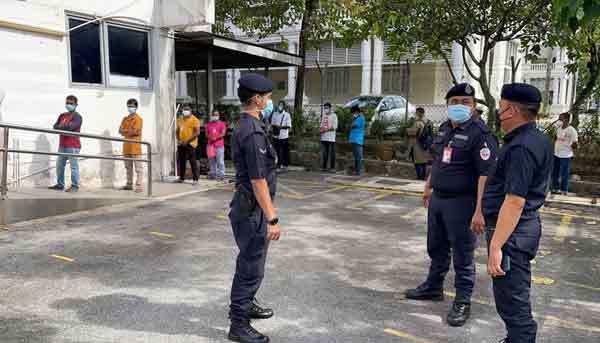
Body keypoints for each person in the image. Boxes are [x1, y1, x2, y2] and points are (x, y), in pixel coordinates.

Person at [404, 83, 498, 327]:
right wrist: (428, 187)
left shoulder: (481, 134)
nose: (459, 106)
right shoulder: (444, 128)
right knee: (436, 247)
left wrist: (479, 211)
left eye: (465, 102)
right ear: (447, 105)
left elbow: (485, 176)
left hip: (463, 203)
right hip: (438, 200)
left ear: (474, 106)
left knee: (463, 254)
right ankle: (433, 287)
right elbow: (438, 161)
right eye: (454, 102)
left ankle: (463, 301)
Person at [482, 83, 552, 343]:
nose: (498, 113)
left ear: (510, 110)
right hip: (519, 230)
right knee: (513, 298)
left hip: (511, 234)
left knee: (513, 306)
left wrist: (496, 246)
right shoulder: (537, 138)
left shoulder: (521, 147)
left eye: (500, 107)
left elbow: (514, 201)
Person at [228, 73, 281, 343]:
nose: (270, 102)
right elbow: (258, 180)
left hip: (252, 207)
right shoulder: (251, 131)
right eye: (268, 98)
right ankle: (238, 324)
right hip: (252, 210)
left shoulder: (253, 126)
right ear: (257, 99)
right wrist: (272, 218)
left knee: (255, 263)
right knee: (250, 266)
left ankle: (247, 305)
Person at [49, 95, 83, 193]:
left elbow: (71, 128)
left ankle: (75, 186)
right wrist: (63, 126)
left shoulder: (77, 117)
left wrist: (62, 126)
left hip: (73, 145)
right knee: (59, 165)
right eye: (67, 103)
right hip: (62, 144)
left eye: (71, 103)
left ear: (76, 104)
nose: (68, 105)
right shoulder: (62, 115)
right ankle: (60, 184)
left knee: (73, 167)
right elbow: (55, 126)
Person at [118, 99, 144, 192]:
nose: (130, 108)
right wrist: (129, 130)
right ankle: (129, 184)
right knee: (128, 167)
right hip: (127, 147)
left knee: (138, 168)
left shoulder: (138, 119)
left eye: (132, 106)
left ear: (136, 107)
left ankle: (139, 185)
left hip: (135, 147)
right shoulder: (125, 119)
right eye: (129, 106)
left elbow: (136, 131)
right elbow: (120, 131)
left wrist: (126, 131)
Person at [551, 112, 578, 195]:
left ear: (566, 119)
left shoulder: (572, 130)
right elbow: (556, 138)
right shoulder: (559, 128)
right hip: (556, 154)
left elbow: (575, 143)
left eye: (560, 118)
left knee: (564, 174)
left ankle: (564, 190)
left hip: (566, 155)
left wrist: (572, 146)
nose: (559, 120)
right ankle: (555, 188)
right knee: (555, 172)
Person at [176, 105, 201, 185]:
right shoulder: (180, 119)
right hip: (181, 143)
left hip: (191, 143)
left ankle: (195, 179)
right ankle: (181, 178)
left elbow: (197, 132)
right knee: (181, 161)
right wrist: (179, 140)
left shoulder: (195, 120)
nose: (185, 111)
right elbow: (177, 130)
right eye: (184, 110)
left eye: (187, 110)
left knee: (192, 161)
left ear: (190, 111)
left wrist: (187, 141)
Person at [407, 107, 431, 180]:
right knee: (424, 162)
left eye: (416, 112)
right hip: (425, 144)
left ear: (418, 113)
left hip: (417, 144)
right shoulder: (428, 121)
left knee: (417, 162)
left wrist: (408, 130)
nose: (415, 114)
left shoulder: (418, 122)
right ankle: (423, 177)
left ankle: (419, 177)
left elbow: (413, 132)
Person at [206, 110, 227, 181]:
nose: (215, 116)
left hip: (219, 145)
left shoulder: (222, 124)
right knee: (211, 161)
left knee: (220, 161)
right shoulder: (208, 124)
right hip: (210, 145)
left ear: (218, 115)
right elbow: (206, 134)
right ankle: (213, 174)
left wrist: (215, 138)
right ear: (211, 115)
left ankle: (222, 175)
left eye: (216, 115)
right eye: (213, 115)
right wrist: (210, 138)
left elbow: (223, 133)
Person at [270, 101, 292, 170]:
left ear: (284, 106)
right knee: (276, 150)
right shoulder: (274, 114)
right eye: (279, 105)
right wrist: (275, 127)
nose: (280, 106)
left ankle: (285, 164)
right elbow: (272, 124)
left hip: (284, 136)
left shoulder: (287, 115)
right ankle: (278, 164)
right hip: (276, 135)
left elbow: (288, 126)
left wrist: (281, 127)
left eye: (281, 105)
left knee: (284, 151)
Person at [320, 102, 338, 172]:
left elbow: (335, 127)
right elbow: (321, 125)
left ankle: (332, 168)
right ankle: (324, 167)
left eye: (326, 108)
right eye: (325, 108)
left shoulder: (334, 116)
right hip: (324, 137)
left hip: (331, 138)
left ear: (330, 108)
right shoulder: (324, 116)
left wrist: (326, 129)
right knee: (324, 153)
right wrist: (321, 129)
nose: (325, 109)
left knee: (332, 153)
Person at [349, 105, 365, 175]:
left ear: (356, 112)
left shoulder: (360, 118)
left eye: (353, 113)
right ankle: (356, 170)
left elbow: (353, 126)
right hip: (354, 139)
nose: (352, 115)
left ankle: (358, 171)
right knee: (356, 157)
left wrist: (353, 120)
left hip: (357, 140)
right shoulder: (356, 118)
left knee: (358, 157)